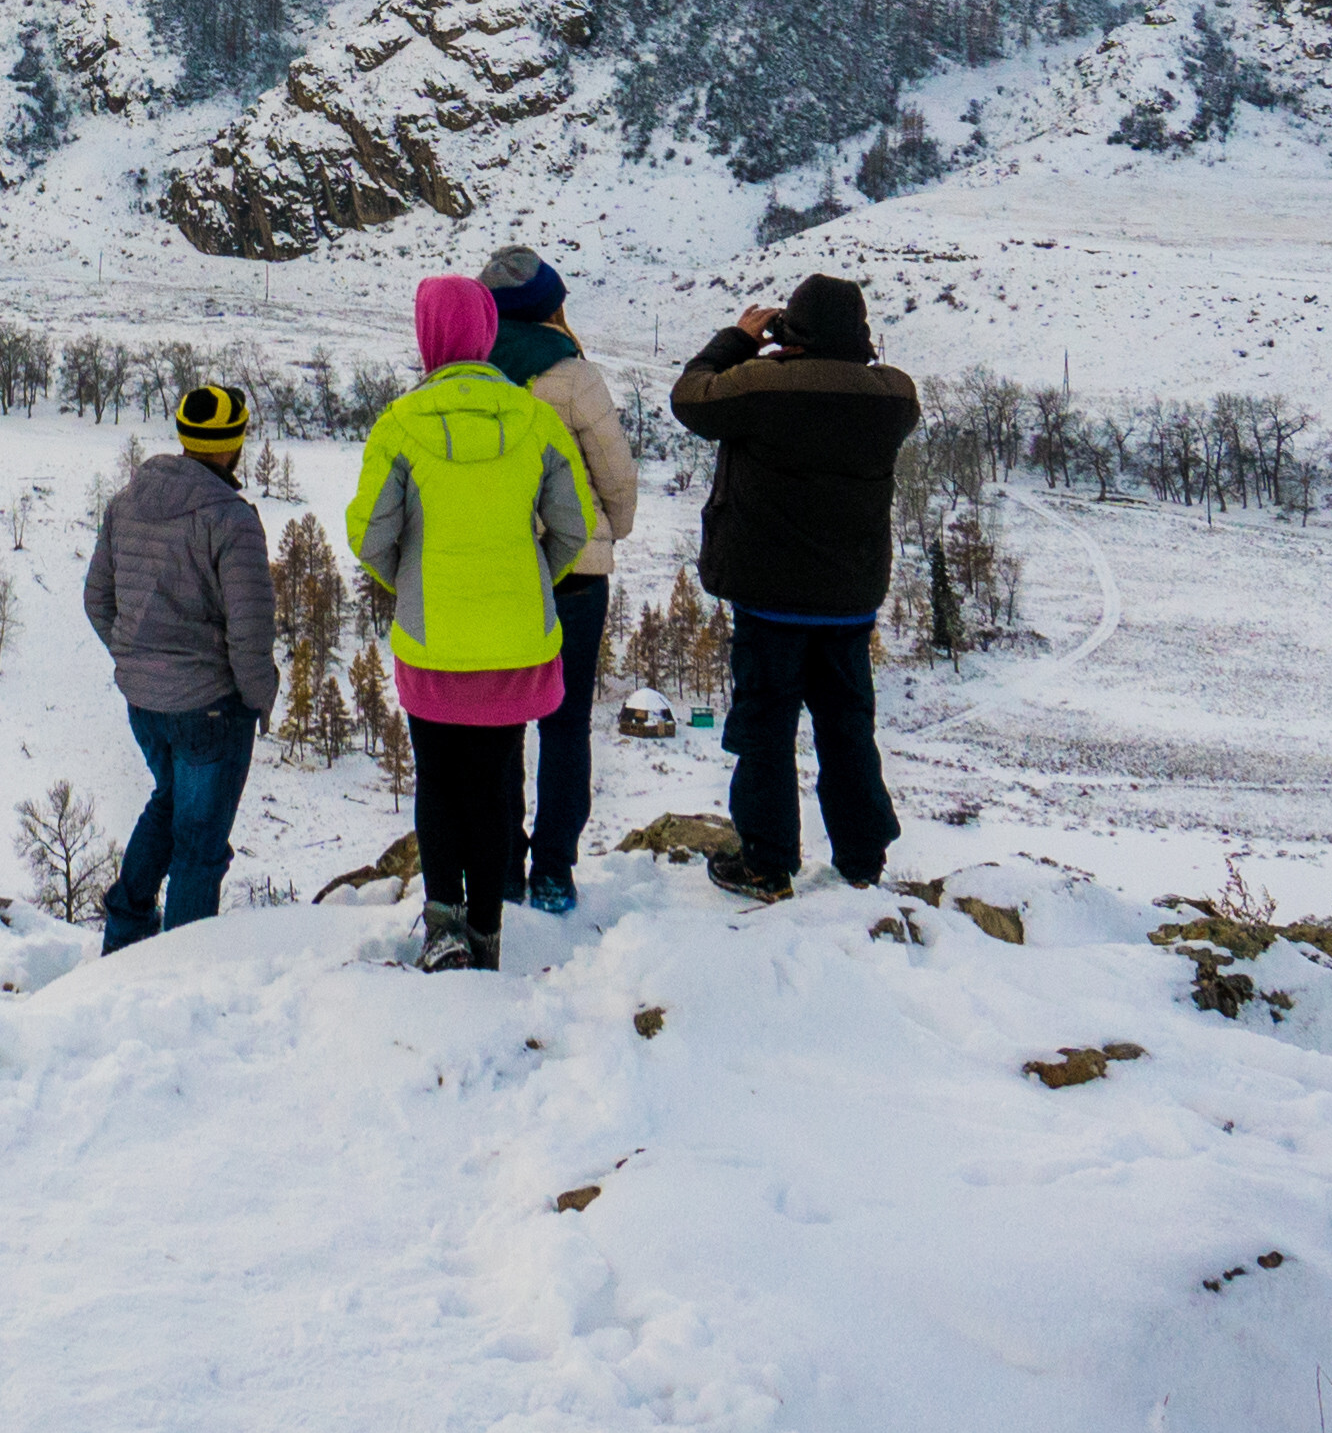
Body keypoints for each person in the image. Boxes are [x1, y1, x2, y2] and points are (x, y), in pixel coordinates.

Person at [346, 275, 595, 973]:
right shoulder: (534, 419)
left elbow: (369, 537)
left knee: (439, 782)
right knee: (498, 784)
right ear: (485, 332)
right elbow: (574, 526)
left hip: (434, 647)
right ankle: (488, 926)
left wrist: (417, 588)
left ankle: (444, 924)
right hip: (516, 643)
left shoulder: (400, 424)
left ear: (429, 335)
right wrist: (527, 584)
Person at [671, 273, 920, 901]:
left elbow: (691, 397)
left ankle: (767, 862)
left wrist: (738, 339)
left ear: (793, 332)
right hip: (847, 601)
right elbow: (858, 376)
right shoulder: (892, 398)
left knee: (765, 728)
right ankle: (863, 859)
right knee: (847, 728)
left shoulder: (762, 386)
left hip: (769, 595)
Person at [79, 379, 278, 950]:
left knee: (168, 803)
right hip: (210, 710)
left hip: (145, 704)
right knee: (200, 846)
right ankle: (177, 968)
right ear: (233, 443)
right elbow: (250, 631)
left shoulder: (128, 501)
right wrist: (258, 697)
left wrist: (135, 660)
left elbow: (97, 599)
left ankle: (125, 931)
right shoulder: (230, 519)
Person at [473, 243, 637, 917]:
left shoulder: (467, 376)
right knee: (565, 727)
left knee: (503, 724)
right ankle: (554, 872)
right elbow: (616, 479)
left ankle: (504, 867)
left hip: (500, 571)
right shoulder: (573, 376)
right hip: (574, 575)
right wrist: (609, 531)